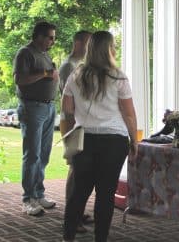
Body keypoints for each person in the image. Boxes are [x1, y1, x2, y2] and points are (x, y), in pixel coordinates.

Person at [62, 31, 138, 242]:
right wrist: (134, 140)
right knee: (105, 194)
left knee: (79, 193)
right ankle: (100, 239)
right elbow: (129, 113)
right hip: (113, 141)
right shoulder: (118, 77)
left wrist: (69, 136)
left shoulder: (75, 75)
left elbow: (67, 110)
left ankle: (67, 238)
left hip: (84, 138)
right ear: (109, 49)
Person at [13, 21, 59, 216]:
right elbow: (20, 79)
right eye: (50, 37)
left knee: (44, 154)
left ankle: (39, 194)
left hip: (48, 108)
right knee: (32, 155)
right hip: (32, 107)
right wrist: (46, 73)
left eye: (54, 38)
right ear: (39, 36)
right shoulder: (26, 53)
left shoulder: (45, 54)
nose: (53, 41)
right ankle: (28, 199)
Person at [59, 30, 92, 233]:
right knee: (75, 169)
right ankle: (72, 217)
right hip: (71, 122)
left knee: (82, 170)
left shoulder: (82, 66)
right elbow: (68, 103)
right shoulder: (68, 67)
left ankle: (78, 213)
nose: (90, 48)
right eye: (88, 43)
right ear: (78, 42)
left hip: (80, 122)